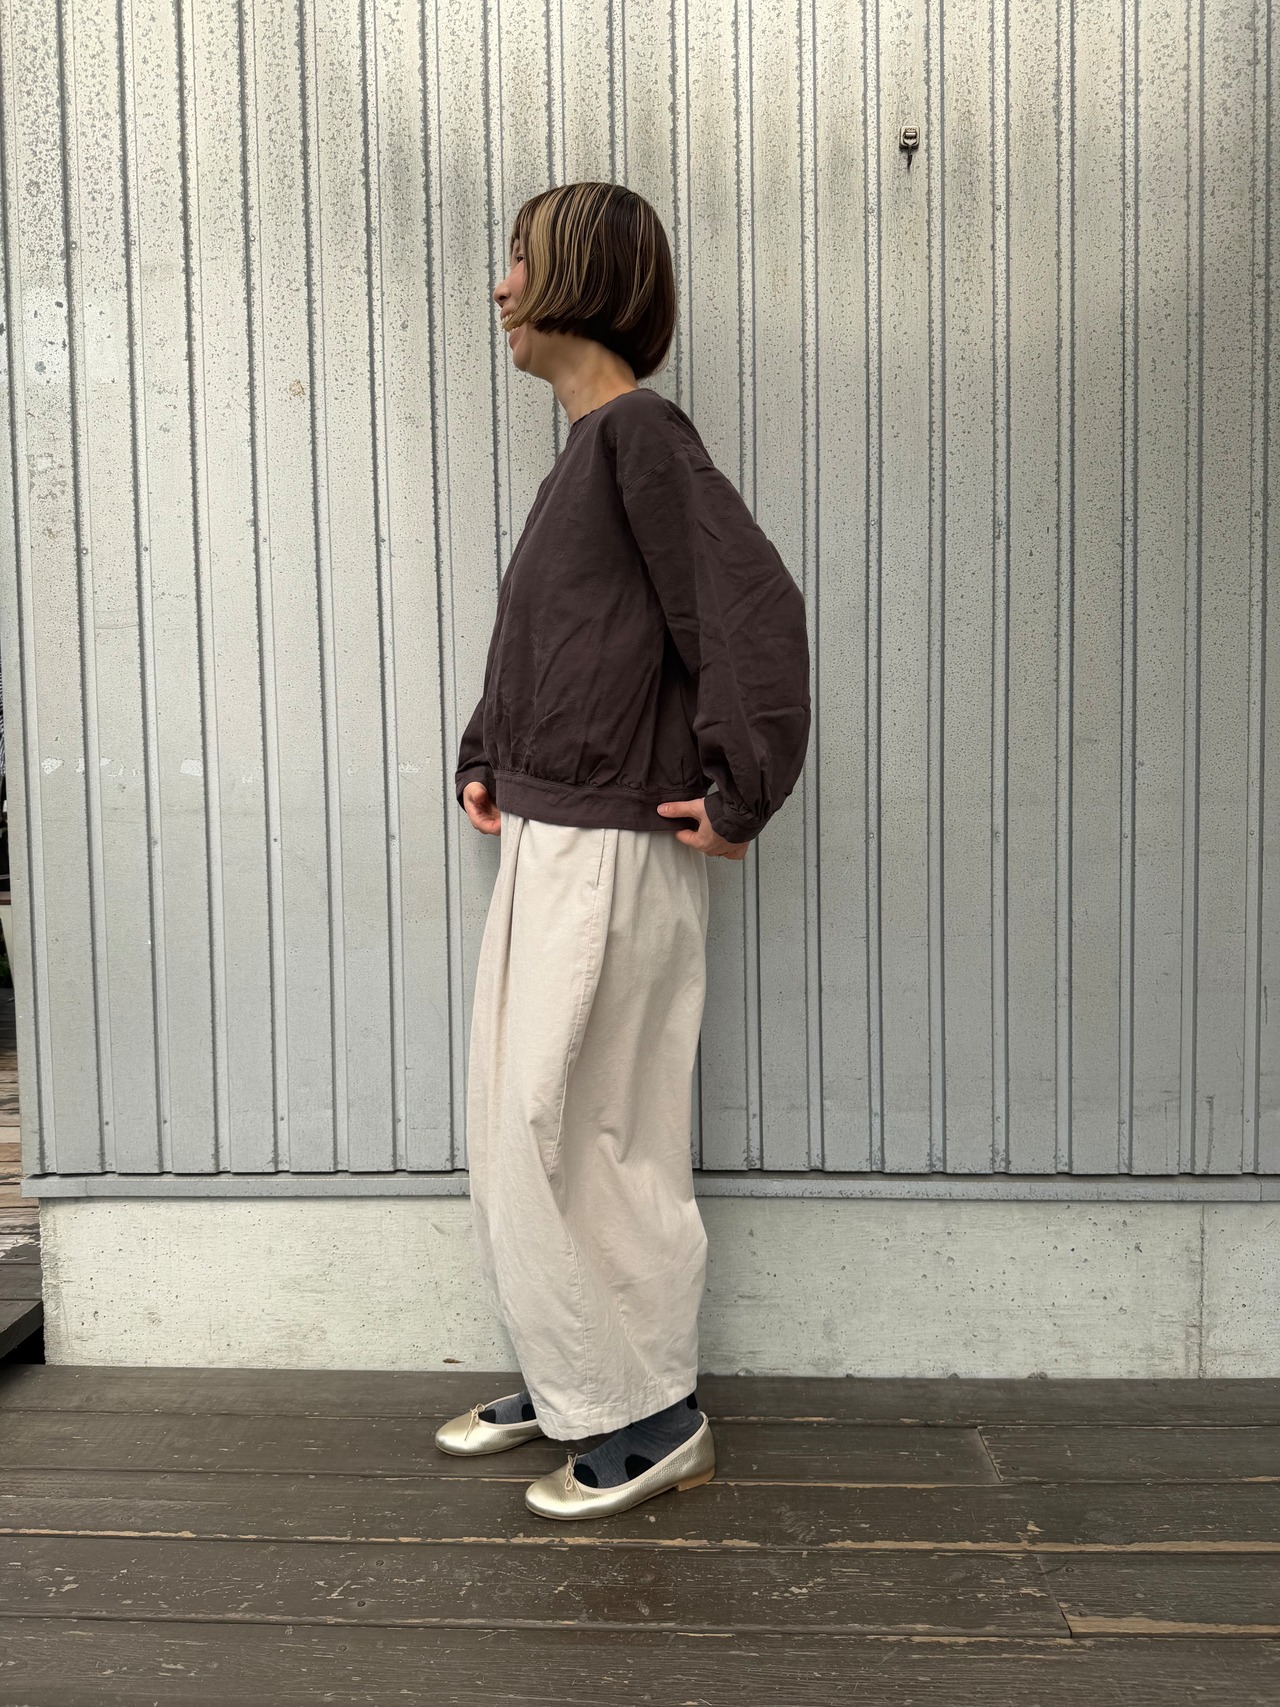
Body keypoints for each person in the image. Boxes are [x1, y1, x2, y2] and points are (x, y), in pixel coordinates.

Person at [435, 180, 811, 1520]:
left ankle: (650, 1415)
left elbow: (747, 610)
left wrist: (740, 790)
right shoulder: (587, 451)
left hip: (612, 848)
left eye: (520, 260)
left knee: (588, 1130)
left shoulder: (641, 434)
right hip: (554, 831)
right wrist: (491, 749)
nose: (500, 287)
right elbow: (561, 635)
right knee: (523, 1124)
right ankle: (575, 1374)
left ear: (581, 279)